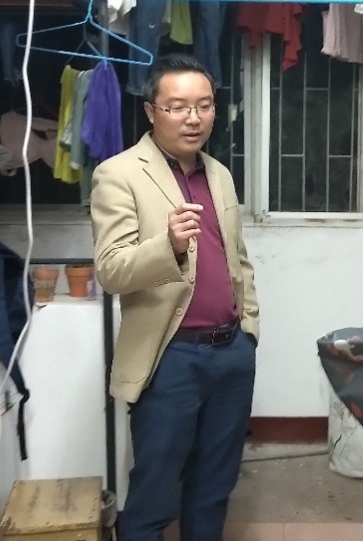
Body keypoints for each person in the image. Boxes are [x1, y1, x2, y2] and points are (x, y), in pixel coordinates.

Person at [90, 53, 260, 541]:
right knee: (154, 494)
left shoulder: (219, 173)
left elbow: (238, 259)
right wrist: (168, 245)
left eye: (204, 105)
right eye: (178, 106)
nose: (193, 118)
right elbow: (111, 270)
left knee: (214, 488)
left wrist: (249, 329)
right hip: (169, 358)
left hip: (231, 354)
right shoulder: (118, 174)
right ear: (151, 110)